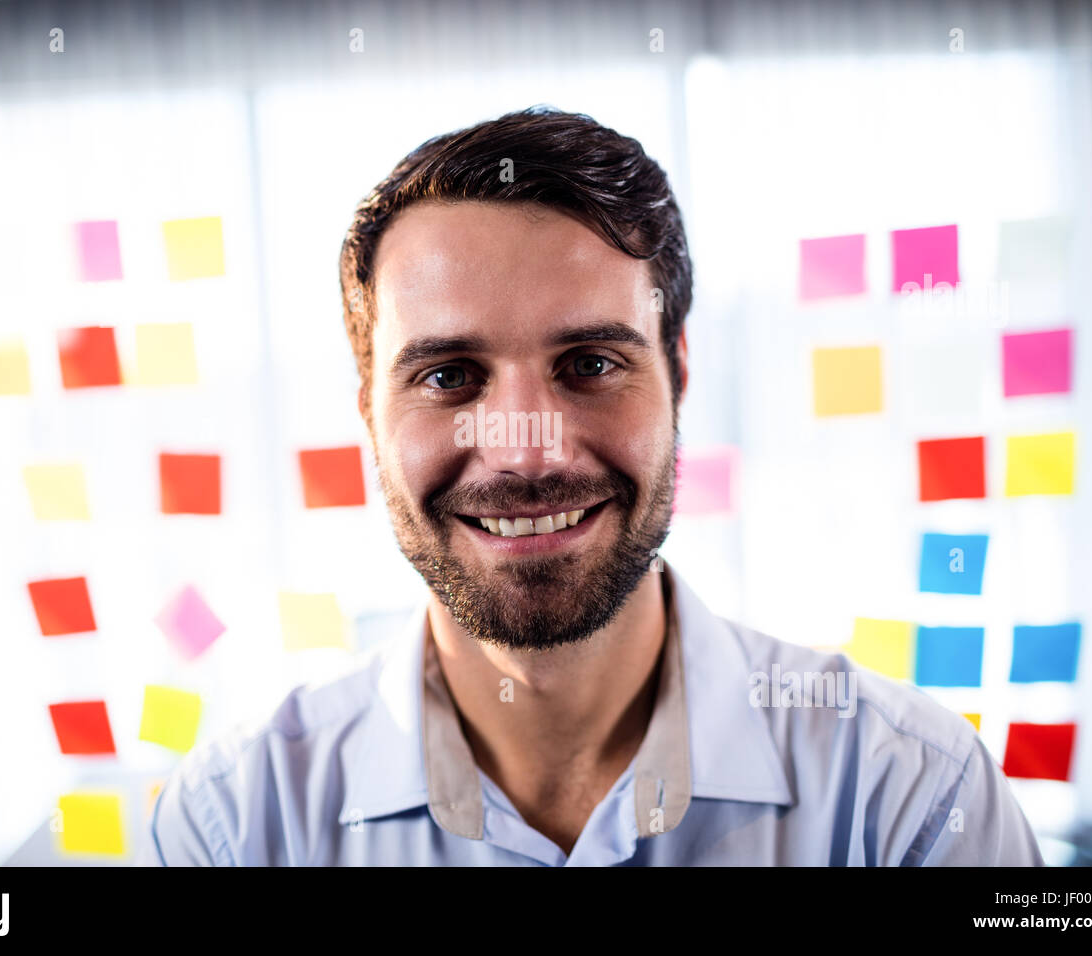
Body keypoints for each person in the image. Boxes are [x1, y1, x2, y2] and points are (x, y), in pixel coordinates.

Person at [143, 106, 1043, 866]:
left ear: (678, 374)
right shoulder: (233, 829)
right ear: (370, 414)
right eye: (450, 376)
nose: (526, 454)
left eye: (591, 362)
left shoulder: (910, 800)